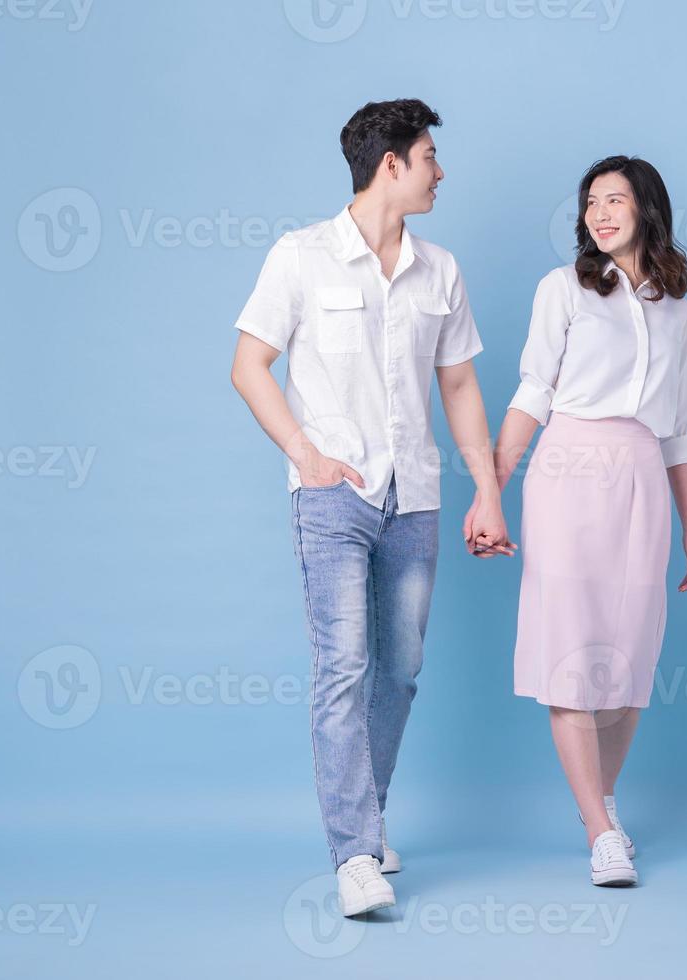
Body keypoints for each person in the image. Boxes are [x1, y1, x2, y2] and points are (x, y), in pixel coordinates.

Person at [230, 99, 512, 917]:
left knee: (401, 670)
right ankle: (355, 853)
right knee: (344, 669)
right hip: (334, 501)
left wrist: (487, 488)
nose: (440, 171)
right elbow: (250, 364)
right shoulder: (302, 257)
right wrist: (305, 454)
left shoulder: (441, 270)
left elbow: (458, 384)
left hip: (414, 497)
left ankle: (367, 816)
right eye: (429, 156)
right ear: (391, 164)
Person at [470, 155, 687, 887]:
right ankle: (601, 831)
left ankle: (600, 801)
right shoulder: (564, 289)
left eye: (615, 200)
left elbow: (678, 431)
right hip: (570, 473)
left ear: (647, 209)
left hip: (642, 478)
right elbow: (534, 390)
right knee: (572, 653)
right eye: (591, 203)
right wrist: (491, 489)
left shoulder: (677, 308)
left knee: (629, 664)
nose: (600, 214)